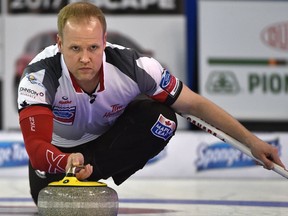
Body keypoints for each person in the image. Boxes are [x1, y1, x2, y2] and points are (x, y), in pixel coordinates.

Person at [18, 1, 285, 205]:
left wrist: (253, 142)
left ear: (104, 41)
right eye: (75, 49)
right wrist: (65, 160)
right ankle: (78, 171)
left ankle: (94, 173)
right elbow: (36, 147)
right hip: (57, 157)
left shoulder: (135, 67)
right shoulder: (39, 75)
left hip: (98, 149)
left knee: (163, 118)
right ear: (60, 44)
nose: (85, 58)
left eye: (93, 48)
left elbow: (195, 105)